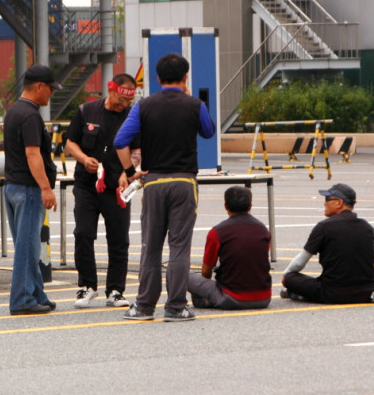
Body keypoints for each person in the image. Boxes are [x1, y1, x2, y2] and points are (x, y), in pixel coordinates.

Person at [114, 53, 216, 322]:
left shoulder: (144, 106)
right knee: (179, 247)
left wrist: (130, 172)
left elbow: (120, 141)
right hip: (183, 181)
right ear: (185, 77)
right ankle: (176, 306)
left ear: (158, 78)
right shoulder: (194, 105)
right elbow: (208, 132)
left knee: (151, 246)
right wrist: (193, 101)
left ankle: (144, 305)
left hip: (154, 182)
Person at [64, 73, 141, 308]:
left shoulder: (132, 117)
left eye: (128, 101)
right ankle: (86, 286)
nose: (123, 104)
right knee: (83, 233)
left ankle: (116, 290)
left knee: (119, 238)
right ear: (111, 90)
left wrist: (128, 171)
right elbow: (70, 142)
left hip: (117, 187)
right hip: (86, 184)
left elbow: (137, 151)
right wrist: (83, 158)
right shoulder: (86, 111)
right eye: (121, 99)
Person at [3, 64, 63, 316]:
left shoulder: (13, 111)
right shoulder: (30, 116)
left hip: (13, 185)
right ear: (39, 86)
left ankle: (37, 294)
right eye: (50, 89)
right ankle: (23, 300)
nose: (51, 94)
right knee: (28, 248)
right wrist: (46, 188)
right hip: (28, 188)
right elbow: (32, 154)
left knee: (26, 245)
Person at [281, 183, 374, 304]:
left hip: (335, 293)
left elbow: (299, 262)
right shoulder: (367, 227)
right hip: (368, 292)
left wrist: (286, 277)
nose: (324, 203)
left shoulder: (324, 227)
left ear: (339, 202)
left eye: (327, 199)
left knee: (290, 278)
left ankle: (298, 294)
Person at [188, 186, 272, 310]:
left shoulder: (217, 232)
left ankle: (184, 303)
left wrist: (204, 289)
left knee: (181, 274)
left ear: (225, 206)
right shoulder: (264, 230)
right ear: (250, 206)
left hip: (230, 297)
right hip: (263, 298)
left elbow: (206, 271)